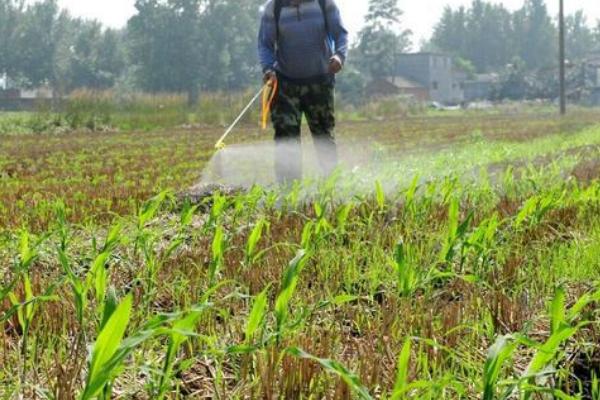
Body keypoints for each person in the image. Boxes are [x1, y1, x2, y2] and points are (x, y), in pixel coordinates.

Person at [258, 0, 348, 183]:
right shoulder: (274, 8)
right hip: (285, 84)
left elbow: (341, 34)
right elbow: (265, 44)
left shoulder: (324, 4)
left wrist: (339, 55)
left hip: (320, 82)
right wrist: (268, 69)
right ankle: (288, 192)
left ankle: (332, 188)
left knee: (324, 136)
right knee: (286, 139)